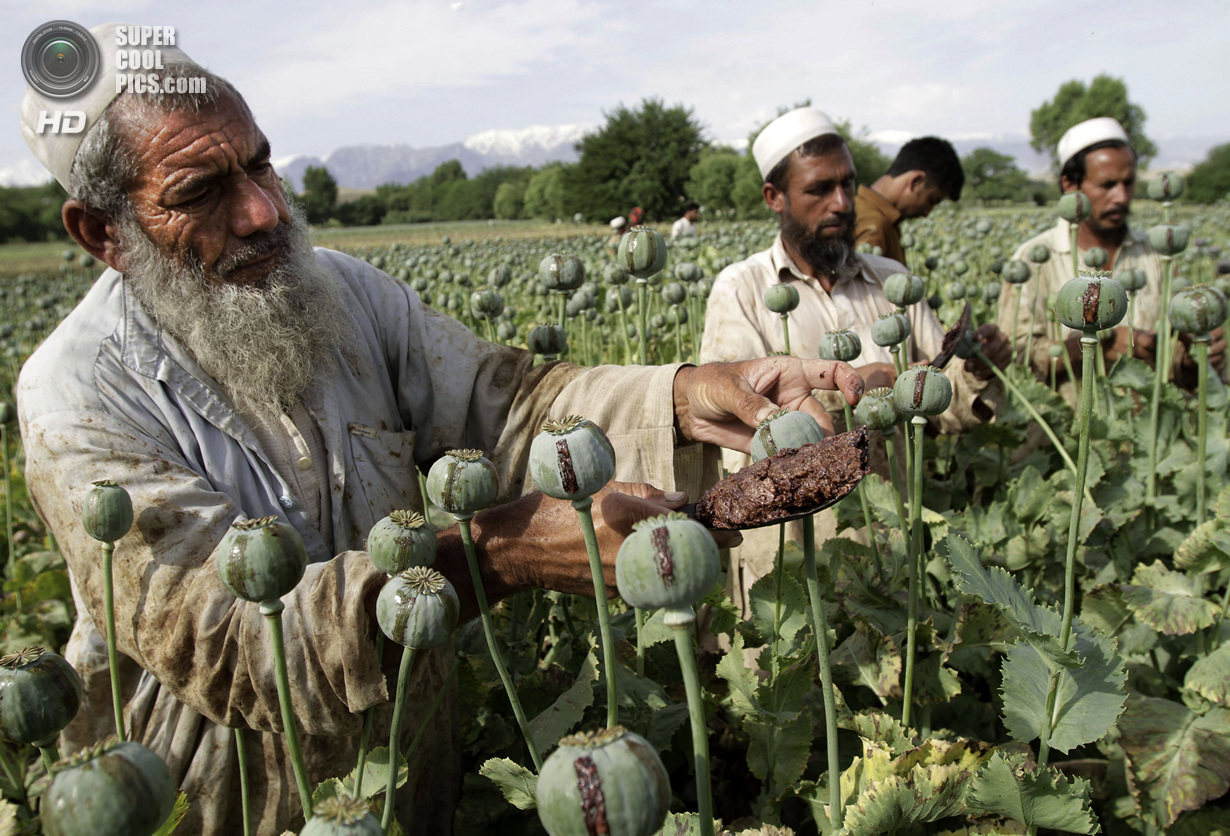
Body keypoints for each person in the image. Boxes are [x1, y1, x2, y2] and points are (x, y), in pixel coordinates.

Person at [17, 28, 865, 836]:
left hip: (411, 766)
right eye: (200, 192)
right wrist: (497, 556)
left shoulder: (342, 292)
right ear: (103, 233)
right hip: (216, 795)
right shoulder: (77, 394)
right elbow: (230, 641)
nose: (262, 212)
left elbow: (514, 405)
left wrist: (684, 394)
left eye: (262, 163)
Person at [699, 106, 1010, 616]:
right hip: (795, 560)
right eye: (819, 189)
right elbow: (735, 427)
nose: (841, 203)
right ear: (775, 198)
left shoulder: (891, 281)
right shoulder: (742, 289)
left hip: (889, 545)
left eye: (848, 184)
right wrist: (853, 388)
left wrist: (974, 371)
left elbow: (938, 407)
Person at [997, 116, 1225, 383]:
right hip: (1063, 422)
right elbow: (1015, 358)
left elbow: (1174, 361)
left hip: (1146, 416)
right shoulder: (1032, 259)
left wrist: (1192, 358)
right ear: (1070, 185)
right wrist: (1096, 342)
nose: (1122, 197)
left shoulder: (1157, 255)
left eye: (1128, 183)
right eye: (1107, 185)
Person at [854, 137, 964, 264]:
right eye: (931, 200)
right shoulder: (873, 228)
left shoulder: (862, 210)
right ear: (916, 182)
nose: (926, 213)